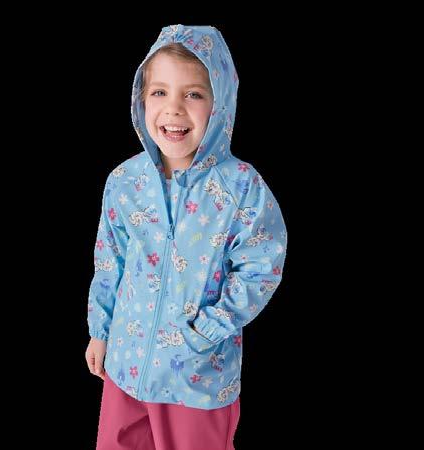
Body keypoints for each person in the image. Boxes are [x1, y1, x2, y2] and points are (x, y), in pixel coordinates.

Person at [85, 24, 287, 450]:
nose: (173, 109)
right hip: (126, 365)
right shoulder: (125, 181)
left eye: (193, 94)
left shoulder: (241, 188)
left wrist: (206, 330)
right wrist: (100, 331)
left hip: (196, 376)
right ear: (141, 99)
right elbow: (109, 260)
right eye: (160, 92)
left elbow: (261, 267)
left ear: (220, 104)